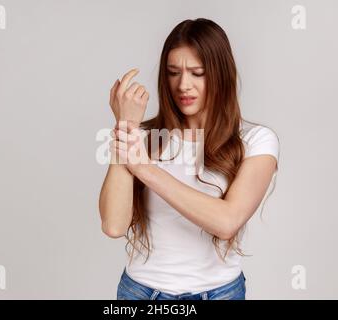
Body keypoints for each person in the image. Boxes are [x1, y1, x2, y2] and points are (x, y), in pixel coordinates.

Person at [99, 18, 280, 300]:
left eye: (198, 73)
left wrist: (144, 168)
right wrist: (126, 128)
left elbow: (227, 222)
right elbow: (113, 225)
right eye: (173, 72)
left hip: (219, 294)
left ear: (221, 75)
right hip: (140, 293)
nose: (183, 85)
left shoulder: (256, 140)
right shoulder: (144, 136)